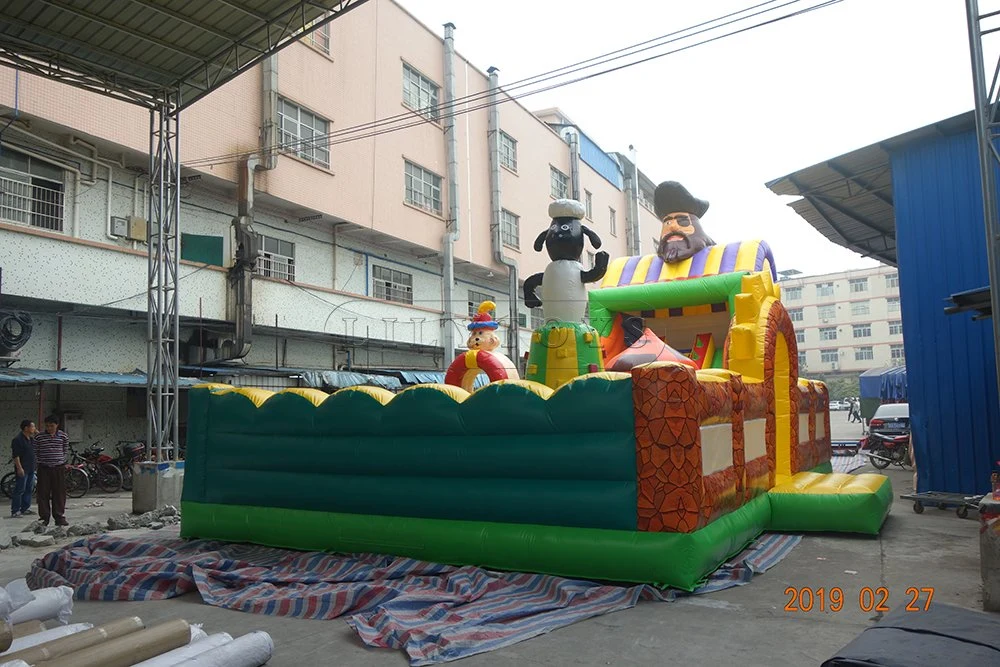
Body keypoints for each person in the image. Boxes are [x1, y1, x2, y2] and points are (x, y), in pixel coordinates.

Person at [33, 415, 69, 527]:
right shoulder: (39, 437)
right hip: (44, 468)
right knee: (43, 493)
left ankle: (59, 517)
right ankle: (44, 518)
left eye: (51, 426)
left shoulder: (63, 436)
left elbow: (65, 450)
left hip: (58, 468)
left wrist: (60, 461)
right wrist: (41, 462)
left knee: (59, 493)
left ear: (57, 425)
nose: (49, 428)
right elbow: (35, 451)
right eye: (47, 426)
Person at [10, 420, 37, 518]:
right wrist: (19, 468)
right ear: (26, 428)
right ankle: (15, 510)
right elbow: (15, 456)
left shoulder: (31, 439)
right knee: (20, 489)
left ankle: (25, 508)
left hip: (31, 468)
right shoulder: (18, 440)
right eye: (33, 427)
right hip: (23, 468)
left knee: (29, 489)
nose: (34, 429)